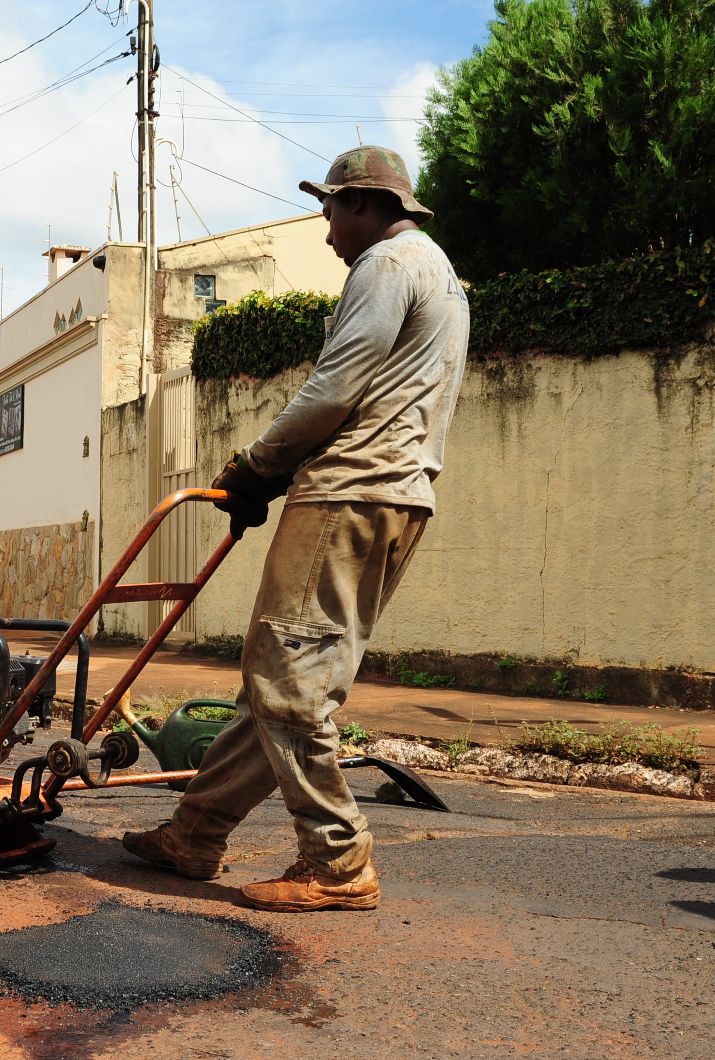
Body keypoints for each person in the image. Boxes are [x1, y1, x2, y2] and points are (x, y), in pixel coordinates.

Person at [122, 145, 470, 912]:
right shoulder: (441, 272)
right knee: (277, 684)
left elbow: (334, 387)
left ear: (362, 205)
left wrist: (256, 466)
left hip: (348, 492)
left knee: (287, 682)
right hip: (400, 496)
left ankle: (337, 858)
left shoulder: (383, 267)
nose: (326, 232)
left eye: (330, 212)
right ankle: (197, 831)